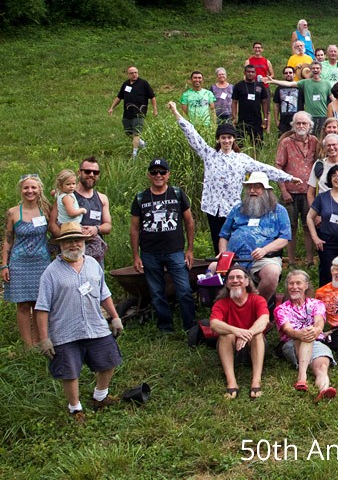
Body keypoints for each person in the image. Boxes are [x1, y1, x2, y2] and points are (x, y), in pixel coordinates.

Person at [170, 102, 299, 253]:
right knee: (217, 244)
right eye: (223, 138)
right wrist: (176, 112)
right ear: (218, 139)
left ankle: (238, 271)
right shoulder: (209, 155)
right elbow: (192, 135)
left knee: (235, 243)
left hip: (233, 209)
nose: (226, 141)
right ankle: (222, 271)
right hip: (213, 208)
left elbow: (264, 168)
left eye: (229, 138)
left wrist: (288, 177)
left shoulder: (241, 159)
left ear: (233, 140)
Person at [35, 222, 125, 422]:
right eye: (68, 241)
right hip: (65, 331)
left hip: (95, 326)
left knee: (109, 359)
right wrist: (44, 339)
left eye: (77, 240)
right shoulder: (51, 272)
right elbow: (42, 308)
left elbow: (104, 293)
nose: (73, 244)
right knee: (70, 371)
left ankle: (100, 397)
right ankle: (75, 409)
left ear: (83, 242)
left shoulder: (92, 263)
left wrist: (115, 317)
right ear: (61, 244)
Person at [130, 159, 196, 333]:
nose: (158, 175)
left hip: (175, 251)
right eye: (154, 172)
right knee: (157, 292)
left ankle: (190, 325)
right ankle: (165, 326)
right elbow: (135, 228)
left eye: (162, 172)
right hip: (149, 253)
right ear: (148, 175)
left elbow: (189, 222)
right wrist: (136, 256)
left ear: (168, 175)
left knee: (184, 290)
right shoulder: (140, 198)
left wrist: (190, 249)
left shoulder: (177, 194)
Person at [215, 173, 293, 301]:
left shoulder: (279, 211)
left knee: (271, 274)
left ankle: (256, 304)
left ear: (266, 190)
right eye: (250, 187)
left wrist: (264, 250)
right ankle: (224, 307)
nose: (252, 191)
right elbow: (224, 235)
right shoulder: (237, 209)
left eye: (257, 187)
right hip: (235, 258)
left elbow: (284, 238)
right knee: (212, 268)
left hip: (263, 258)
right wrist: (223, 254)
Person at [274, 270, 338, 400]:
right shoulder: (281, 309)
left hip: (316, 342)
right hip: (292, 343)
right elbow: (288, 330)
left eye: (298, 283)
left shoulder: (316, 304)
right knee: (304, 334)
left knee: (322, 366)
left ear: (306, 285)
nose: (294, 287)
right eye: (291, 284)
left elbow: (319, 321)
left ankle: (324, 390)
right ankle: (302, 376)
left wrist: (316, 330)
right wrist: (302, 333)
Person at [4, 174, 51, 347]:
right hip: (19, 263)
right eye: (26, 188)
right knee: (23, 305)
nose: (29, 191)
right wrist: (4, 265)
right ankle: (28, 346)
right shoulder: (13, 212)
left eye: (33, 187)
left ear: (39, 190)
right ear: (21, 190)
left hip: (42, 263)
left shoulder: (46, 210)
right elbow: (8, 239)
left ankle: (41, 342)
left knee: (40, 303)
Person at [208, 265, 269, 399]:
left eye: (239, 277)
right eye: (231, 278)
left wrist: (248, 334)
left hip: (253, 346)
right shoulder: (221, 303)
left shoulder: (258, 300)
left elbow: (264, 320)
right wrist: (237, 331)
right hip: (231, 347)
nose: (235, 280)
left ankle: (256, 380)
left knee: (258, 334)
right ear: (227, 283)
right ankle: (232, 382)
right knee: (225, 335)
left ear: (247, 282)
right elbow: (214, 324)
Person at [275, 112, 319, 266]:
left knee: (309, 226)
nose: (301, 126)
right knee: (290, 227)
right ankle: (292, 262)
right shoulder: (286, 142)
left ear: (309, 126)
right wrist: (283, 190)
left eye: (304, 123)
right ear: (293, 125)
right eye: (298, 123)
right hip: (290, 192)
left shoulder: (314, 141)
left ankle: (309, 260)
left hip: (309, 193)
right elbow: (278, 167)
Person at [108, 66, 157, 156]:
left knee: (136, 133)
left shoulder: (143, 83)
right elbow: (119, 97)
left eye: (136, 72)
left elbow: (152, 97)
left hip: (139, 113)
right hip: (127, 113)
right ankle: (142, 144)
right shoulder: (125, 84)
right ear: (128, 75)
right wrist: (112, 107)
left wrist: (155, 109)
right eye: (132, 73)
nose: (134, 74)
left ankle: (134, 154)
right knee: (128, 132)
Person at [231, 65, 271, 145]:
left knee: (258, 143)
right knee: (240, 143)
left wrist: (265, 118)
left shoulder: (260, 86)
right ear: (244, 73)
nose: (250, 74)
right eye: (248, 72)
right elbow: (234, 102)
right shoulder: (239, 86)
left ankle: (256, 157)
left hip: (257, 119)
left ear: (255, 73)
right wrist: (234, 117)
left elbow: (264, 102)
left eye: (252, 72)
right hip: (242, 119)